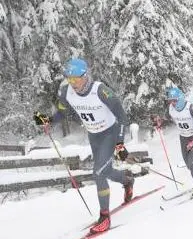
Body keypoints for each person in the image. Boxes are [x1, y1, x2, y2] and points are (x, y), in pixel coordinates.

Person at [33, 58, 133, 234]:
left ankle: (104, 217)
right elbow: (63, 113)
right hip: (94, 135)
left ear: (85, 76)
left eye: (77, 79)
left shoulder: (101, 91)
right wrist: (49, 120)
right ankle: (127, 180)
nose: (73, 84)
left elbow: (123, 117)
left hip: (110, 133)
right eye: (70, 79)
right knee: (106, 170)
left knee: (98, 173)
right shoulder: (66, 92)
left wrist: (119, 143)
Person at [155, 87, 193, 197]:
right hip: (183, 137)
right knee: (188, 164)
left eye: (175, 100)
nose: (172, 103)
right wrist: (160, 123)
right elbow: (166, 118)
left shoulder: (190, 108)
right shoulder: (171, 108)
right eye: (170, 100)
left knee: (192, 162)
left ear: (180, 98)